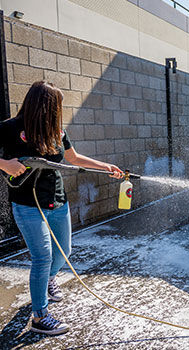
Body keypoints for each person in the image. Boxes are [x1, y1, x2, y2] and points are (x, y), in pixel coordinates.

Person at [0, 81, 123, 335]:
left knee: (63, 251)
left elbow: (74, 158)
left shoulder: (56, 131)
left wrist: (106, 166)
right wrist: (5, 164)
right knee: (42, 257)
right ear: (43, 105)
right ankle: (40, 316)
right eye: (56, 105)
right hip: (27, 205)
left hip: (57, 201)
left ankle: (48, 281)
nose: (59, 110)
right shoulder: (10, 128)